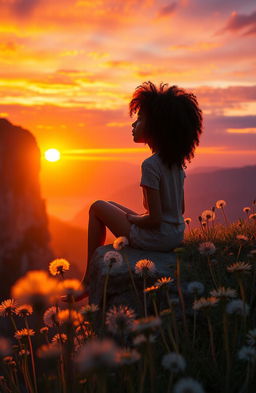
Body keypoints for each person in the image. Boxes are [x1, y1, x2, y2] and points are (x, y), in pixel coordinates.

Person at [75, 81, 203, 301]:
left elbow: (154, 219)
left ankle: (87, 280)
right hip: (174, 235)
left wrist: (133, 218)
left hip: (157, 239)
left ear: (156, 127)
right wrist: (137, 218)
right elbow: (179, 209)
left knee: (97, 208)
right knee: (110, 205)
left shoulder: (150, 165)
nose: (133, 124)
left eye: (140, 119)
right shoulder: (176, 164)